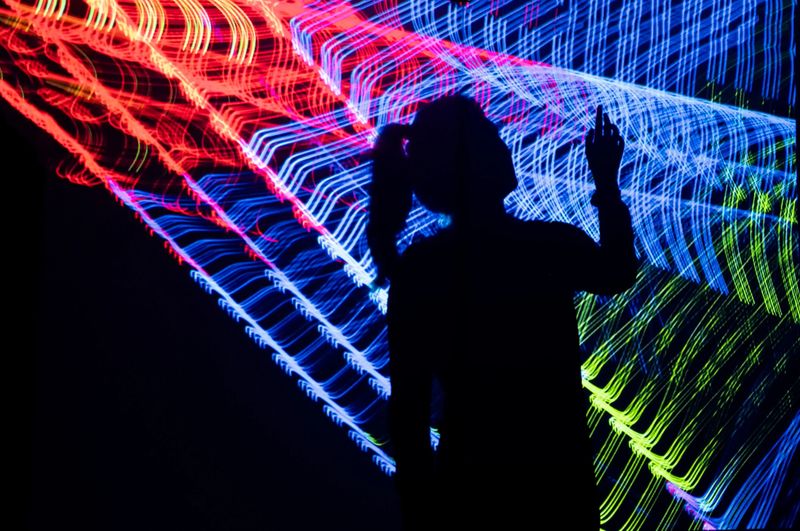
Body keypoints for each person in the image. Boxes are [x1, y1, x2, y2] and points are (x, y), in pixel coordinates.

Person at [367, 95, 637, 530]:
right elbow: (616, 272)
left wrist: (421, 512)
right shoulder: (542, 247)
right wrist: (606, 184)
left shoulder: (422, 270)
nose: (505, 145)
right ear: (470, 163)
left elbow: (408, 413)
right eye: (492, 137)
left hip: (470, 493)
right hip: (556, 489)